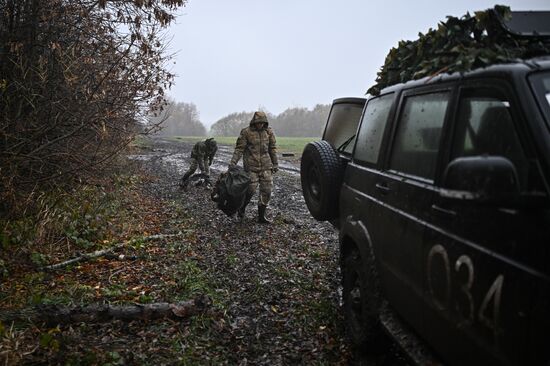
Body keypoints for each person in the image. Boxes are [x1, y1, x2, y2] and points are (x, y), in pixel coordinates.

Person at [229, 111, 278, 223]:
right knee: (249, 191)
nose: (260, 125)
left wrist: (275, 163)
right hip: (251, 167)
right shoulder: (246, 132)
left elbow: (272, 149)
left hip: (266, 166)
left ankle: (261, 216)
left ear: (265, 122)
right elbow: (239, 149)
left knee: (267, 191)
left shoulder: (269, 132)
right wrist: (233, 163)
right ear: (254, 122)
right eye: (258, 122)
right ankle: (241, 209)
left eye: (262, 123)